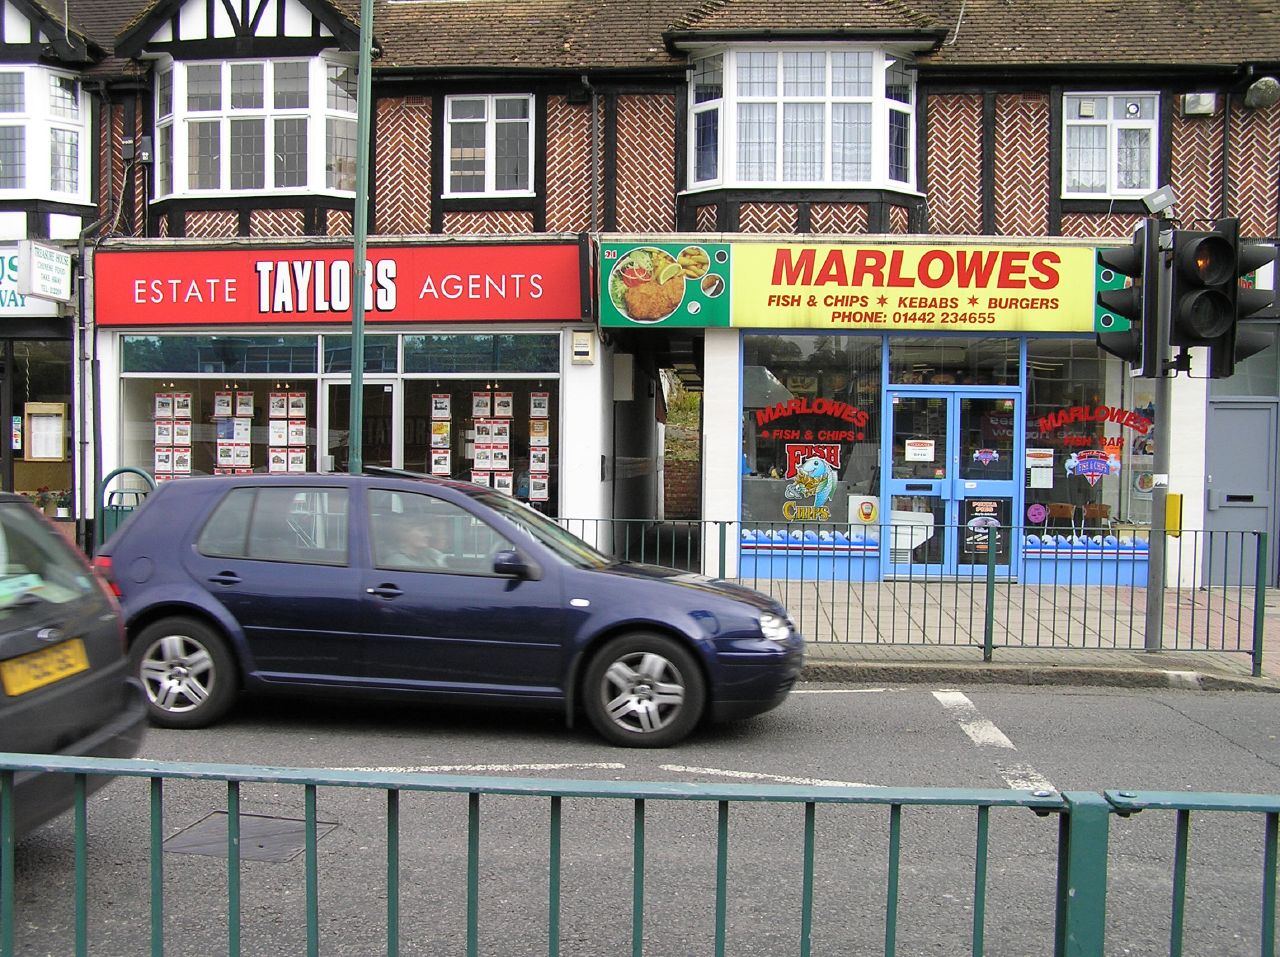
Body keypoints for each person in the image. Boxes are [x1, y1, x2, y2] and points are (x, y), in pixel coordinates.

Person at [378, 515, 447, 570]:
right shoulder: (398, 562)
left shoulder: (430, 554)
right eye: (422, 530)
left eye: (428, 530)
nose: (428, 535)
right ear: (404, 534)